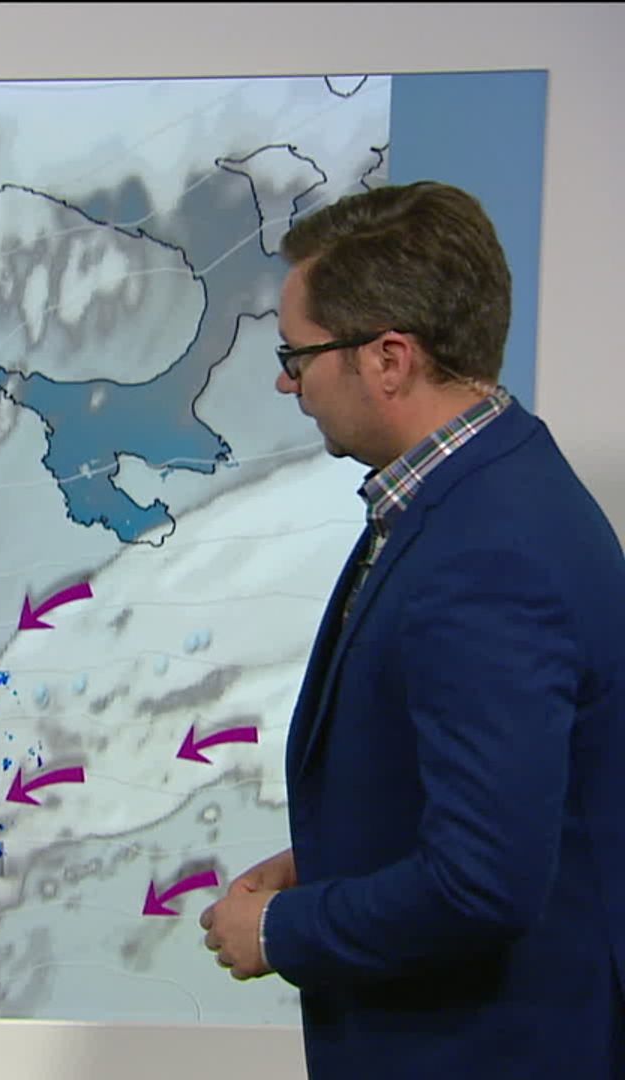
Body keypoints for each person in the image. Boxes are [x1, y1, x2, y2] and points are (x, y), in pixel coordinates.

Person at [197, 180, 625, 1076]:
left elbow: (482, 882)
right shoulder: (490, 488)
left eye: (297, 354)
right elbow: (500, 803)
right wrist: (331, 857)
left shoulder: (488, 554)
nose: (286, 381)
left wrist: (280, 929)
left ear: (388, 359)